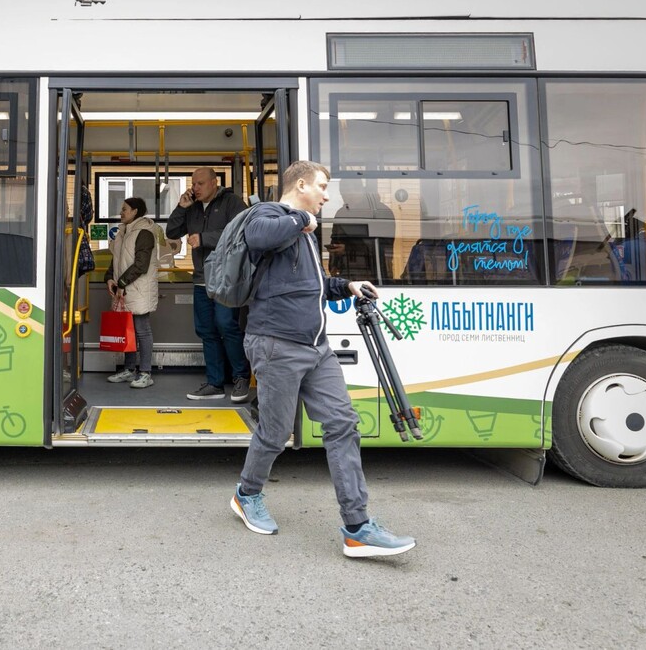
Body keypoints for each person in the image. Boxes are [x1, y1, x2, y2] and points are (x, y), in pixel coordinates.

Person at [230, 160, 415, 558]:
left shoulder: (304, 229)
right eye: (322, 187)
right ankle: (247, 494)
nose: (327, 196)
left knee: (343, 424)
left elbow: (308, 286)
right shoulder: (270, 214)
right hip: (276, 344)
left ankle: (357, 527)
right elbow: (259, 236)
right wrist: (301, 220)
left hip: (316, 347)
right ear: (300, 185)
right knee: (276, 433)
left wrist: (345, 285)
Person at [165, 167, 250, 402]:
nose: (195, 188)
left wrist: (205, 238)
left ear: (214, 183)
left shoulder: (231, 202)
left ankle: (241, 377)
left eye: (200, 183)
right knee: (206, 331)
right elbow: (172, 231)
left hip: (226, 278)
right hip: (201, 278)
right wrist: (180, 208)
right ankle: (215, 383)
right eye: (193, 183)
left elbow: (243, 232)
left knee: (227, 326)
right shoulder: (191, 207)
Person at [104, 197, 160, 389]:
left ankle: (145, 373)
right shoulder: (122, 232)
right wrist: (109, 277)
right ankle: (129, 370)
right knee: (127, 331)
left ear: (135, 211)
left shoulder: (144, 232)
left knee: (142, 330)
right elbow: (116, 258)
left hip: (138, 288)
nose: (121, 212)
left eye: (124, 209)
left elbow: (141, 265)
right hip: (125, 288)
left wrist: (121, 282)